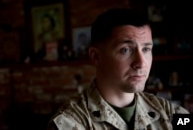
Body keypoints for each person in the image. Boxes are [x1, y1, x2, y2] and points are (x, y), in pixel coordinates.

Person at [47, 8, 190, 130]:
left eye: (146, 49)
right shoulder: (69, 123)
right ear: (96, 57)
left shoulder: (173, 114)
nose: (141, 63)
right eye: (126, 50)